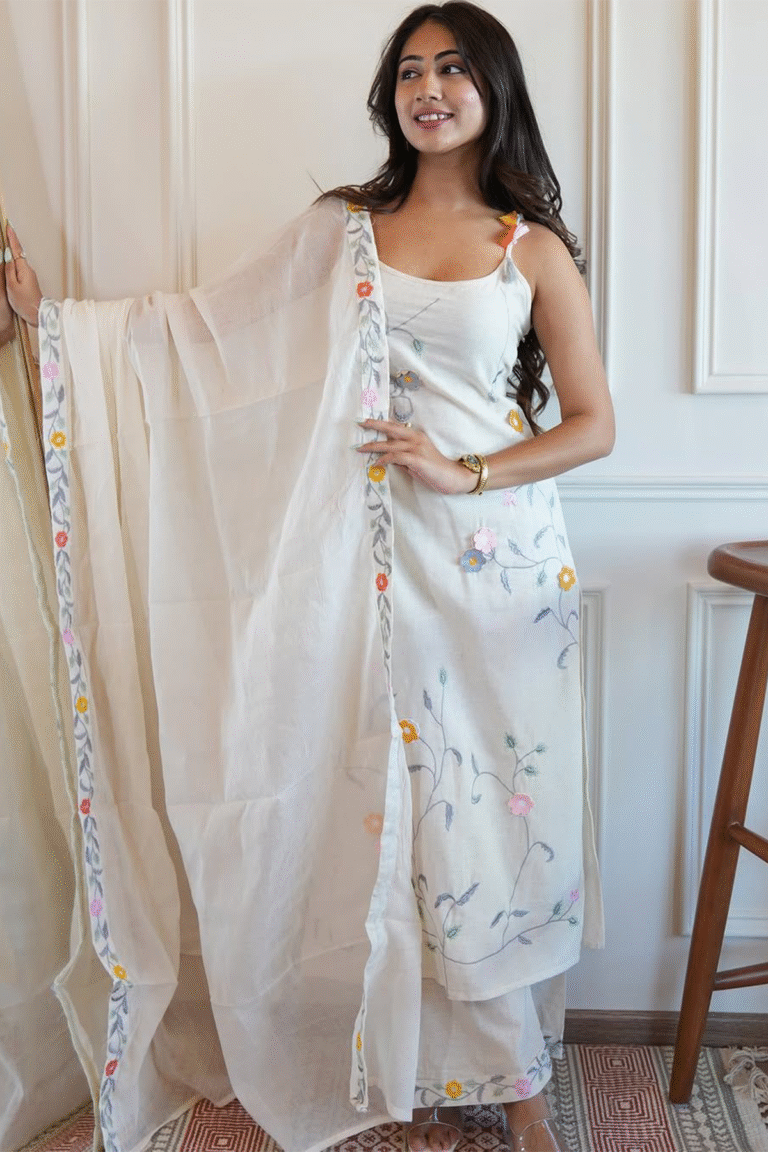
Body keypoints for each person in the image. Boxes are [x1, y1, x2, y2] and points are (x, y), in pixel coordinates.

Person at [3, 4, 613, 1151]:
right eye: (411, 71)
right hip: (372, 576)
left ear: (494, 89)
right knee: (410, 825)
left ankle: (522, 1093)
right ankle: (423, 1068)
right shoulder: (344, 232)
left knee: (498, 825)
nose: (429, 89)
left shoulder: (526, 246)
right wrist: (58, 327)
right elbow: (204, 339)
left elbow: (593, 424)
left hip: (503, 581)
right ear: (390, 97)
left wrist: (465, 469)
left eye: (454, 69)